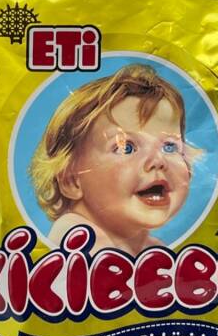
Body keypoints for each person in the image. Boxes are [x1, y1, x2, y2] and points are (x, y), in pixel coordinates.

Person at [30, 64, 198, 254]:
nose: (158, 160)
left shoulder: (150, 246)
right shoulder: (77, 235)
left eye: (169, 146)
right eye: (126, 148)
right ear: (72, 181)